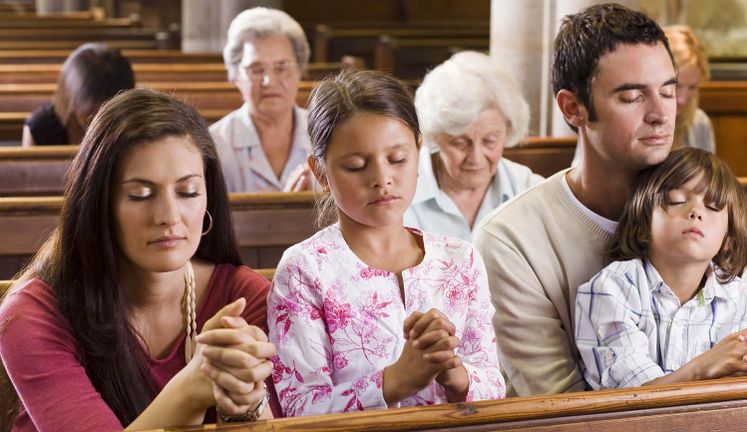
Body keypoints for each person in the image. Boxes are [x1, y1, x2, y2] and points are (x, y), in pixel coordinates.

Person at [0, 88, 275, 431]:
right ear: (99, 205)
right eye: (141, 195)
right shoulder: (32, 313)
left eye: (187, 192)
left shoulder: (246, 299)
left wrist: (246, 403)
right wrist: (192, 388)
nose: (169, 216)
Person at [267, 70, 504, 416]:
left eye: (397, 159)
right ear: (320, 171)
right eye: (356, 166)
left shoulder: (460, 259)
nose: (382, 179)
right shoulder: (304, 270)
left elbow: (494, 386)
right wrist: (394, 381)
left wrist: (456, 375)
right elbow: (300, 407)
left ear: (419, 150)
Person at [474, 3, 677, 396]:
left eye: (668, 92)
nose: (660, 114)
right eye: (633, 96)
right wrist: (698, 377)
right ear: (573, 108)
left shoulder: (700, 208)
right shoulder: (510, 239)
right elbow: (563, 408)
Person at [576, 148, 747, 389]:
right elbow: (627, 403)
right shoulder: (612, 289)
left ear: (727, 238)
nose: (696, 212)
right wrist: (702, 368)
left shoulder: (735, 295)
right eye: (676, 199)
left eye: (713, 207)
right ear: (644, 218)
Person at [403, 51, 543, 242]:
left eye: (490, 141)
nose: (476, 158)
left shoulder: (528, 190)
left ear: (508, 130)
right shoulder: (400, 192)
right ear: (434, 135)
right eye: (460, 143)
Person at [211, 7, 313, 193]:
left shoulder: (327, 135)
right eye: (256, 70)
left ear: (300, 70)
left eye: (281, 68)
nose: (269, 81)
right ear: (235, 75)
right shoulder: (215, 145)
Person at [22, 42, 135, 147]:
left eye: (110, 110)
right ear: (71, 97)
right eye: (91, 111)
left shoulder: (134, 125)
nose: (99, 118)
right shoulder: (40, 128)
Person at [665, 25, 715, 152]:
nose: (682, 99)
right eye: (676, 86)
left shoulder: (699, 123)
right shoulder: (635, 122)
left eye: (692, 87)